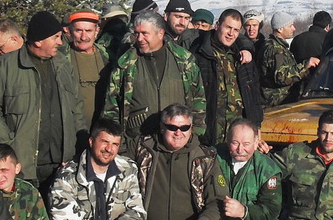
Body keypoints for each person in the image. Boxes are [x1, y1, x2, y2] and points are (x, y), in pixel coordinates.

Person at [0, 11, 84, 197]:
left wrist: (77, 146)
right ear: (39, 41)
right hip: (24, 166)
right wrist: (9, 144)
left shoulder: (63, 65)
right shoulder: (5, 67)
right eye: (55, 37)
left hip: (62, 165)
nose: (60, 42)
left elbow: (77, 107)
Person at [102, 8, 207, 151]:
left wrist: (195, 135)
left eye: (145, 33)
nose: (139, 39)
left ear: (160, 33)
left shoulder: (184, 60)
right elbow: (111, 107)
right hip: (137, 144)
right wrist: (117, 143)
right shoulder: (125, 64)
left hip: (177, 143)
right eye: (136, 33)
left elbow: (198, 99)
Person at [189, 9, 265, 146]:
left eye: (236, 30)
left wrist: (256, 126)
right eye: (228, 27)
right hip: (208, 133)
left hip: (237, 136)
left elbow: (253, 94)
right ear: (217, 25)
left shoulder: (243, 57)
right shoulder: (200, 53)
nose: (231, 33)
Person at [261, 12, 320, 106]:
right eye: (290, 26)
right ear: (280, 29)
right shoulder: (275, 49)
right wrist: (306, 65)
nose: (294, 28)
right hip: (278, 103)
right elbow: (281, 77)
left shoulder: (277, 46)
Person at [64, 11, 110, 134]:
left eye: (88, 31)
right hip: (70, 132)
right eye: (78, 30)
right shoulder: (60, 59)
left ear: (97, 31)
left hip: (101, 131)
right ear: (69, 31)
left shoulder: (108, 57)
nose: (84, 37)